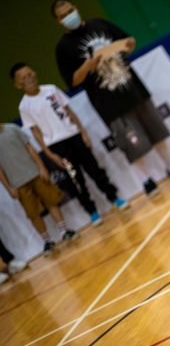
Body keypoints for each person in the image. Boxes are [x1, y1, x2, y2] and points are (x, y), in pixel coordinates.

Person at [51, 0, 170, 197]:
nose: (69, 16)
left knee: (155, 129)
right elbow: (72, 81)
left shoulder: (99, 23)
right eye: (63, 15)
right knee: (131, 144)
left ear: (76, 8)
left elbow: (127, 42)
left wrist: (129, 44)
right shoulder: (63, 48)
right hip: (108, 103)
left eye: (70, 11)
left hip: (132, 88)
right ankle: (146, 181)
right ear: (58, 21)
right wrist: (86, 67)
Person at [11, 62, 129, 226]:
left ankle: (114, 198)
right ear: (18, 85)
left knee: (94, 169)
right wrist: (49, 153)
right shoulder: (24, 106)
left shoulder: (51, 90)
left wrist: (82, 132)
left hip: (74, 137)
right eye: (24, 78)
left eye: (30, 74)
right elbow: (36, 132)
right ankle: (92, 212)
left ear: (35, 73)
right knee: (75, 179)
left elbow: (69, 111)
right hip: (57, 147)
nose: (29, 79)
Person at [0, 123, 79, 256]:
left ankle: (64, 231)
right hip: (17, 183)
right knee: (33, 213)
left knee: (51, 201)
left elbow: (30, 148)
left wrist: (42, 167)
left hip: (35, 173)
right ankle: (47, 241)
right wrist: (9, 188)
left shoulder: (12, 129)